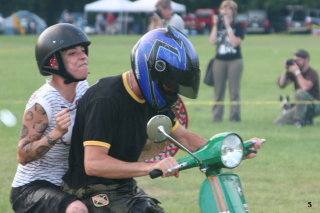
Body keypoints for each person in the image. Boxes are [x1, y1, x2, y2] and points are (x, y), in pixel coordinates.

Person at [62, 26, 264, 213]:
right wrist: (151, 166)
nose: (174, 91)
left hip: (123, 188)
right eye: (170, 84)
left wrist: (230, 150)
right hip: (89, 191)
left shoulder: (152, 99)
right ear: (151, 71)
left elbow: (184, 138)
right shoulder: (106, 99)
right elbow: (94, 163)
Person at [10, 23, 91, 213]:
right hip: (32, 187)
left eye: (83, 51)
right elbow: (22, 155)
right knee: (76, 210)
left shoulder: (83, 88)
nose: (83, 56)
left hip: (69, 182)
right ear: (53, 62)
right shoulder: (43, 102)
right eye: (73, 53)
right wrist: (56, 133)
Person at [209, 0, 245, 122]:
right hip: (219, 60)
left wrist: (228, 26)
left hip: (235, 60)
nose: (225, 11)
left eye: (228, 8)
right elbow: (212, 41)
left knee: (234, 91)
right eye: (223, 8)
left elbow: (235, 43)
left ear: (233, 11)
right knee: (218, 91)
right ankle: (217, 117)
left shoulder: (238, 25)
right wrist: (215, 25)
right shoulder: (218, 25)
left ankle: (235, 117)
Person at [274, 49, 320, 127]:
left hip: (315, 105)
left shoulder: (312, 72)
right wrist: (285, 69)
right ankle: (307, 120)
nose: (296, 62)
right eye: (294, 60)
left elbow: (305, 87)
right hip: (301, 106)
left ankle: (299, 121)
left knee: (300, 93)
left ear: (306, 60)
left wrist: (297, 73)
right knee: (279, 122)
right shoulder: (294, 72)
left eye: (298, 60)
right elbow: (281, 85)